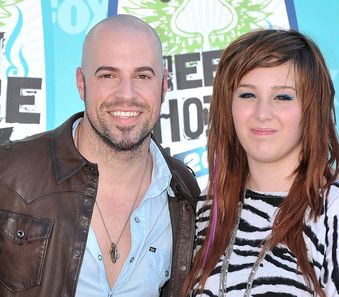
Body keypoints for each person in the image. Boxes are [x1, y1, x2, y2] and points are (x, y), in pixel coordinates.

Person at [0, 14, 199, 297]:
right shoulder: (8, 176)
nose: (126, 94)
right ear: (82, 83)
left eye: (142, 75)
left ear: (164, 85)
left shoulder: (183, 194)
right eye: (108, 75)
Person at [183, 29, 339, 296]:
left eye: (283, 97)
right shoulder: (211, 202)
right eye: (247, 95)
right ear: (228, 105)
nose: (262, 113)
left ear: (311, 107)